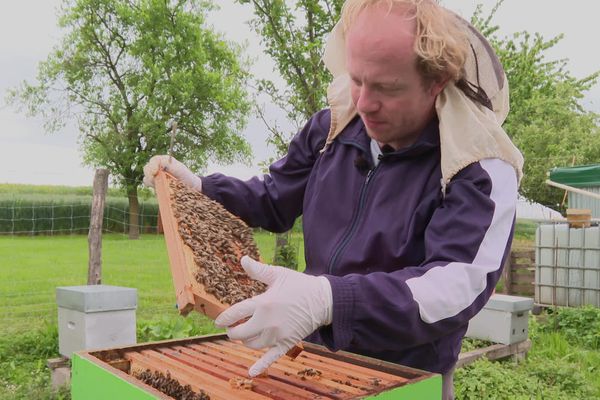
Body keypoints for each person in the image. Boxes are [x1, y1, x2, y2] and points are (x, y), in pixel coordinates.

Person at [144, 1, 523, 399]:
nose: (363, 103)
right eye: (357, 79)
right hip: (310, 360)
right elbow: (274, 199)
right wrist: (203, 190)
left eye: (387, 88)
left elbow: (454, 285)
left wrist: (331, 299)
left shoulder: (478, 166)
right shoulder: (332, 129)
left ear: (437, 81)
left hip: (403, 377)